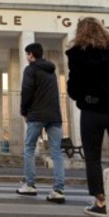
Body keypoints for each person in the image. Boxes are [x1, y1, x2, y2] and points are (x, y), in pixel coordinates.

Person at [65, 17, 109, 217]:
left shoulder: (77, 54)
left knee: (93, 158)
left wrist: (83, 98)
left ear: (79, 33)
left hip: (93, 111)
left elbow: (74, 86)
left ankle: (102, 201)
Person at [16, 43, 65, 204]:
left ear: (31, 55)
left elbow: (27, 90)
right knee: (57, 152)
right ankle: (58, 190)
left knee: (29, 148)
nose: (26, 57)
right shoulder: (51, 71)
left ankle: (30, 185)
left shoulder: (30, 70)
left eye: (27, 55)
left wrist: (24, 110)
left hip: (36, 114)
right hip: (54, 115)